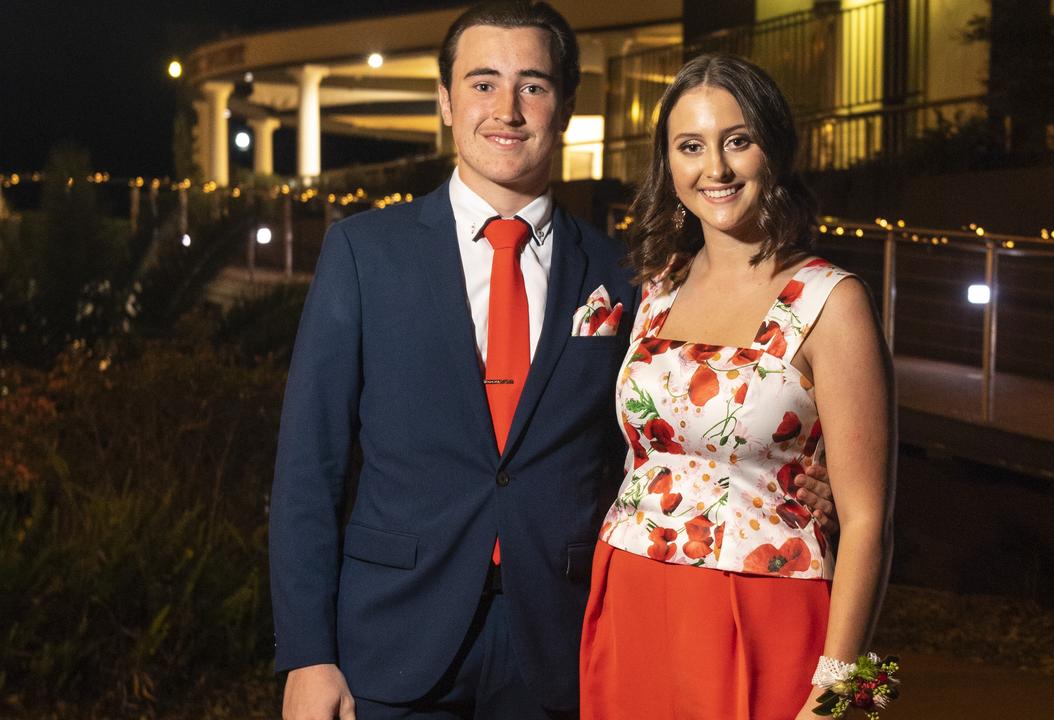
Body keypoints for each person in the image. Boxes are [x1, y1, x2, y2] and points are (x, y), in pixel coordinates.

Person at [269, 5, 839, 720]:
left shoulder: (633, 274)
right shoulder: (363, 252)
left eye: (533, 86)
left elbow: (678, 424)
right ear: (445, 101)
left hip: (564, 642)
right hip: (391, 637)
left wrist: (814, 479)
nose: (507, 109)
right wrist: (306, 654)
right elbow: (306, 470)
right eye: (482, 83)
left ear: (566, 105)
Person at [579, 53, 896, 720]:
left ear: (773, 148)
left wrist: (845, 696)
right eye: (690, 147)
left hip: (769, 609)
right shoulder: (657, 287)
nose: (714, 170)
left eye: (738, 141)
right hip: (631, 592)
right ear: (667, 164)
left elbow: (870, 522)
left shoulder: (830, 301)